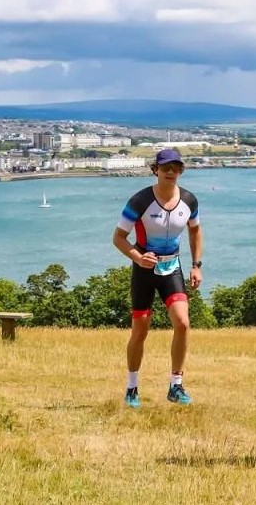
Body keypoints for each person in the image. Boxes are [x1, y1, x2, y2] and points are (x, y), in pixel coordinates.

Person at [112, 148, 203, 408]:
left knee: (183, 324)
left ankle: (176, 385)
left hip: (171, 268)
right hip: (143, 270)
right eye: (165, 167)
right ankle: (132, 388)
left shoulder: (189, 201)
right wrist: (137, 257)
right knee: (140, 331)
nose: (171, 171)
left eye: (176, 167)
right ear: (155, 170)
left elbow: (195, 231)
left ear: (181, 171)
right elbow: (118, 237)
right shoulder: (140, 201)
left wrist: (197, 265)